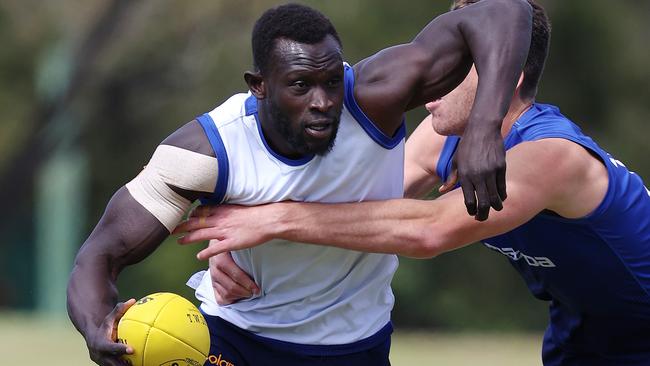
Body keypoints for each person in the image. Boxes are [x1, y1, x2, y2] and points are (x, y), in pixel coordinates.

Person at [175, 1, 650, 365]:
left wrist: (274, 218)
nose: (431, 82)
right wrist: (235, 245)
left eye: (455, 68)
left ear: (504, 73)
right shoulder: (443, 137)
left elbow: (428, 231)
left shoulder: (553, 154)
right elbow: (350, 207)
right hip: (584, 334)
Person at [67, 2, 534, 365]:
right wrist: (96, 325)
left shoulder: (373, 98)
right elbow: (101, 255)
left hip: (354, 348)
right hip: (234, 340)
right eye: (300, 85)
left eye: (331, 81)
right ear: (259, 85)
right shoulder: (206, 152)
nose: (324, 102)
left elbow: (505, 9)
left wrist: (484, 127)